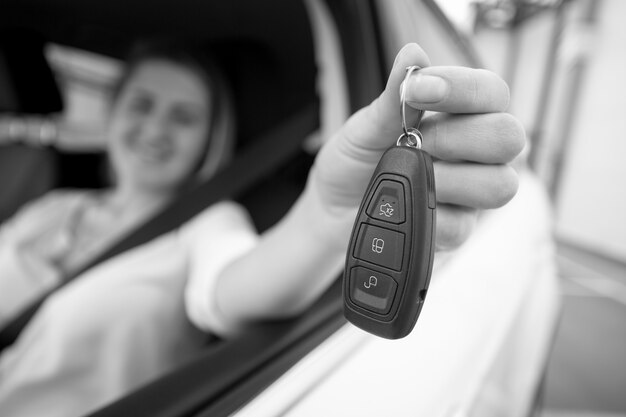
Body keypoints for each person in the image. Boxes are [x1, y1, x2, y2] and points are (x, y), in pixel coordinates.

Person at [0, 41, 524, 416]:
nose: (156, 128)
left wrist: (326, 217)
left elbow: (236, 287)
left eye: (183, 117)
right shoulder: (49, 205)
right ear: (112, 113)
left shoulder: (205, 226)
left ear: (212, 138)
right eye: (142, 105)